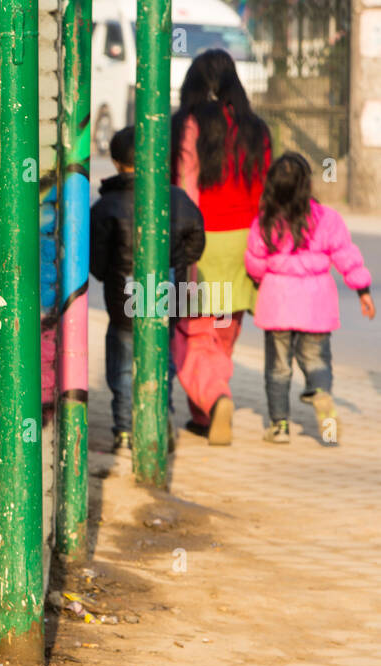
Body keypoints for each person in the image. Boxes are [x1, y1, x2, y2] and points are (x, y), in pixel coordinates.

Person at [171, 49, 272, 445]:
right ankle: (204, 413)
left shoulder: (192, 125)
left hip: (204, 242)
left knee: (194, 334)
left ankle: (214, 398)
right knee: (223, 333)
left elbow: (187, 185)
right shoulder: (258, 129)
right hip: (245, 243)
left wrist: (183, 241)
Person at [244, 152, 375, 444]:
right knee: (317, 361)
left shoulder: (265, 221)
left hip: (278, 302)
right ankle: (323, 409)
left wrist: (257, 279)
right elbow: (346, 256)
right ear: (308, 185)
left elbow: (255, 261)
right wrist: (362, 290)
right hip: (316, 303)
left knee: (278, 367)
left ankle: (279, 426)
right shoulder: (328, 218)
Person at [91, 126, 206, 454]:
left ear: (115, 162)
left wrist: (109, 276)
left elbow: (95, 257)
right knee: (163, 359)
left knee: (124, 364)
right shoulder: (177, 198)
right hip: (167, 296)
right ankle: (161, 416)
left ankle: (125, 432)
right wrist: (180, 264)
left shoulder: (107, 205)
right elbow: (196, 240)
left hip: (124, 300)